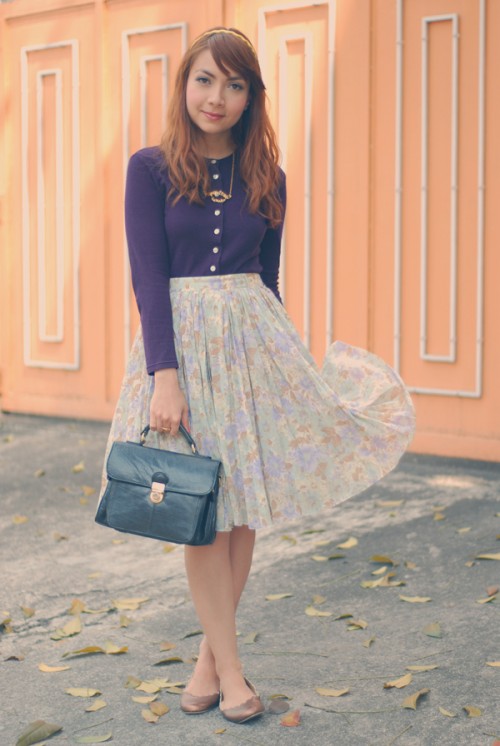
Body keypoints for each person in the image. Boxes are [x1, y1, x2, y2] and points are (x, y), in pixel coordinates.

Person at [99, 27, 415, 724]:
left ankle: (209, 662)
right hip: (184, 352)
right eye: (205, 79)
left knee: (240, 514)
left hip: (254, 350)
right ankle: (235, 672)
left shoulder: (269, 177)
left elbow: (266, 282)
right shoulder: (150, 169)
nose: (217, 96)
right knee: (202, 513)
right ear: (185, 85)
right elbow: (149, 279)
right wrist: (164, 375)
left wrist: (289, 371)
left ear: (251, 97)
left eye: (235, 84)